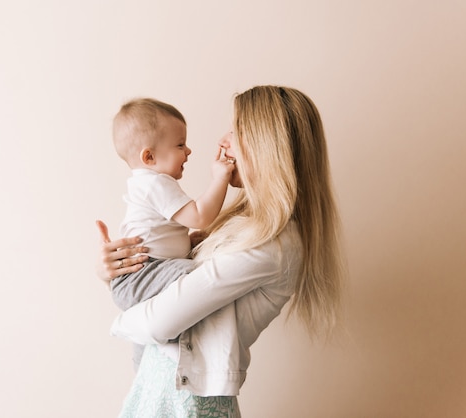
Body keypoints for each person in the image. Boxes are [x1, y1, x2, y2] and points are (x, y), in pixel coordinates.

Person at [96, 85, 345, 417]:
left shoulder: (273, 244)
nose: (222, 141)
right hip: (160, 393)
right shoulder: (242, 225)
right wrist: (117, 272)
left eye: (236, 130)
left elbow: (158, 324)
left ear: (266, 145)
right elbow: (166, 288)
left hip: (188, 402)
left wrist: (119, 319)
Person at [108, 98, 236, 368]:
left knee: (149, 347)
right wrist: (220, 178)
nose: (188, 151)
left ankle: (144, 376)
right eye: (180, 145)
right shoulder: (156, 184)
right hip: (143, 273)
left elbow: (160, 234)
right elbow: (200, 217)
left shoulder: (149, 183)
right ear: (149, 157)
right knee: (199, 274)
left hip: (143, 272)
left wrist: (182, 243)